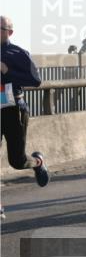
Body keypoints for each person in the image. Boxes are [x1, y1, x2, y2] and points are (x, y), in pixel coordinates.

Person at [0, 15, 49, 188]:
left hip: (13, 109)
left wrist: (7, 71)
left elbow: (35, 80)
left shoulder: (18, 53)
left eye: (0, 28)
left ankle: (38, 162)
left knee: (17, 161)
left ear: (10, 32)